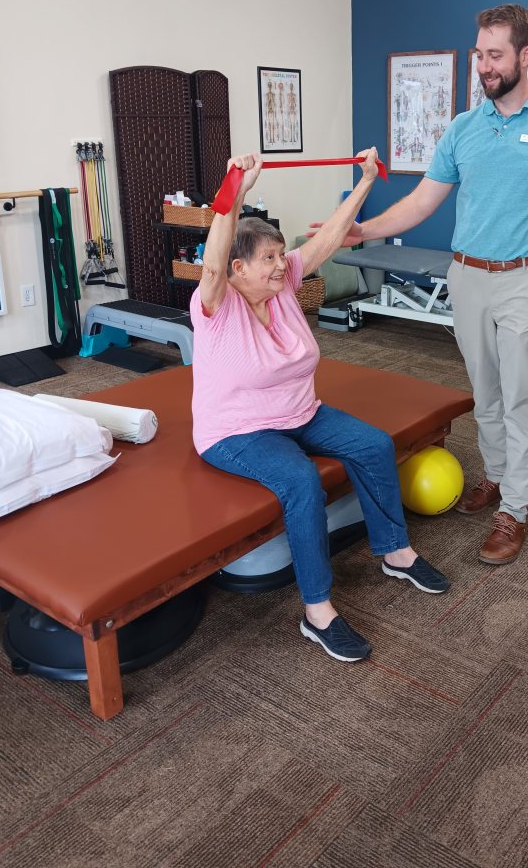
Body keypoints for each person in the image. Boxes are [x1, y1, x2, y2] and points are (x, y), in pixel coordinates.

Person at [313, 5, 528, 567]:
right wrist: (362, 230)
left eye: (495, 55)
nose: (484, 66)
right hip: (466, 277)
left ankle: (514, 509)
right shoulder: (464, 128)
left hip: (526, 280)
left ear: (526, 56)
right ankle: (496, 475)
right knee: (484, 391)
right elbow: (423, 201)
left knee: (520, 397)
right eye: (478, 55)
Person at [190, 147, 449, 664]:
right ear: (238, 268)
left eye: (280, 255)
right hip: (237, 431)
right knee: (302, 481)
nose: (281, 265)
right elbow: (213, 262)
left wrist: (366, 181)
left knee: (373, 445)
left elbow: (328, 239)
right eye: (268, 258)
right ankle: (318, 610)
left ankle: (396, 552)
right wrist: (233, 192)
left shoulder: (283, 284)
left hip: (300, 412)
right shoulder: (215, 304)